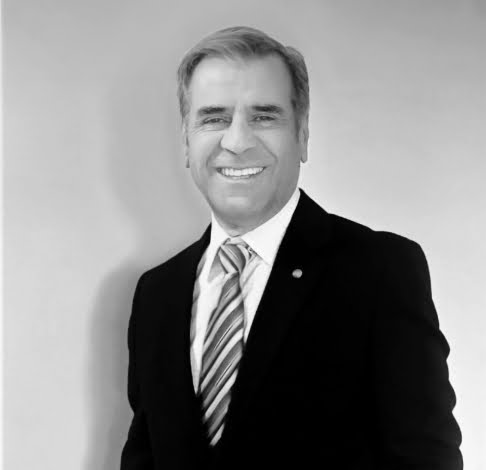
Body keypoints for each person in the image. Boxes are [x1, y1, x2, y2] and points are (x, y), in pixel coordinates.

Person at [120, 26, 462, 470]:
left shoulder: (379, 271)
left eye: (264, 116)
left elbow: (426, 459)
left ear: (302, 134)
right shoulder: (156, 295)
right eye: (214, 118)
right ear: (186, 141)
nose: (237, 141)